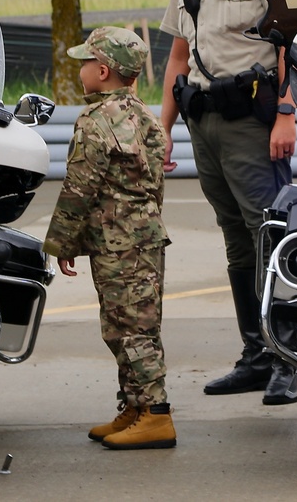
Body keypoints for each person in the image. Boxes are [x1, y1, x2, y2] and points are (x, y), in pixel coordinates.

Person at [158, 0, 297, 404]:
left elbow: (291, 45)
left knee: (271, 235)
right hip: (204, 121)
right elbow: (176, 55)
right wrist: (163, 127)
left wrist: (286, 112)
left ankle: (290, 357)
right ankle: (256, 355)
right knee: (237, 241)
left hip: (252, 121)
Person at [43, 26, 176, 450]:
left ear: (102, 71)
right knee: (131, 326)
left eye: (85, 63)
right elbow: (155, 185)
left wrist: (60, 243)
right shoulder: (146, 116)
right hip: (143, 237)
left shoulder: (95, 120)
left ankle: (155, 415)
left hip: (116, 242)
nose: (80, 69)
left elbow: (80, 188)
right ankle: (135, 407)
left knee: (129, 330)